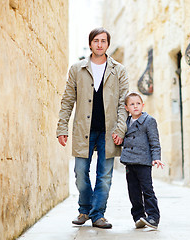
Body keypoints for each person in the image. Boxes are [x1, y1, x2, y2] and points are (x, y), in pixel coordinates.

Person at [56, 27, 129, 229]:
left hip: (109, 131)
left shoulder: (119, 70)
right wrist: (62, 127)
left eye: (103, 41)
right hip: (83, 130)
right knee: (80, 172)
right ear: (90, 44)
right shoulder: (77, 69)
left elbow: (123, 102)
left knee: (104, 176)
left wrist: (120, 129)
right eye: (96, 41)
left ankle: (98, 215)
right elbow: (68, 100)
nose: (99, 44)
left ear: (108, 44)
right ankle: (85, 209)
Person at [119, 92, 164, 229]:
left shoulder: (149, 121)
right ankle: (139, 216)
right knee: (133, 191)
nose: (135, 106)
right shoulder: (125, 122)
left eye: (138, 103)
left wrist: (156, 157)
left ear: (143, 105)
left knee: (147, 190)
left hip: (143, 162)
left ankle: (153, 217)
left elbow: (154, 141)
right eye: (132, 104)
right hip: (129, 162)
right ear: (126, 108)